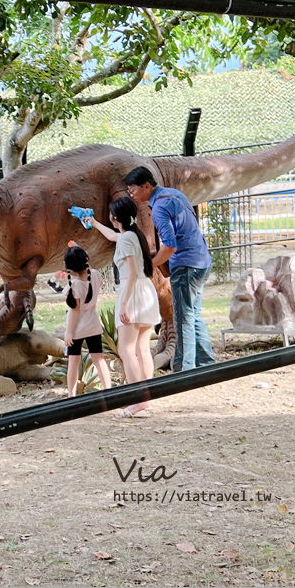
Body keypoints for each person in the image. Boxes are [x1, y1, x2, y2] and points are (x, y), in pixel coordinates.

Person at [123, 167, 216, 373]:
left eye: (133, 190)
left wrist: (150, 265)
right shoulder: (174, 194)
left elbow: (171, 246)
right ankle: (206, 362)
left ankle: (184, 370)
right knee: (194, 314)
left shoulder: (159, 207)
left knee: (183, 318)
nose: (131, 195)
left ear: (146, 186)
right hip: (201, 261)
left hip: (185, 266)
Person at [85, 198, 160, 418]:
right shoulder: (132, 235)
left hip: (133, 291)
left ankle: (139, 400)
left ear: (115, 217)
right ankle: (146, 397)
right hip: (145, 292)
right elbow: (113, 236)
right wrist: (95, 223)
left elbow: (132, 273)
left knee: (126, 350)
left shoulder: (127, 239)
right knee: (142, 349)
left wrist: (125, 303)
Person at [62, 245, 111, 396]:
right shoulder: (95, 275)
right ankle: (108, 389)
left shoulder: (75, 285)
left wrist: (69, 333)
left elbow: (75, 311)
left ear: (68, 267)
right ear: (86, 261)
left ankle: (71, 394)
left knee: (74, 361)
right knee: (99, 358)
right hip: (93, 325)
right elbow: (91, 273)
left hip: (77, 328)